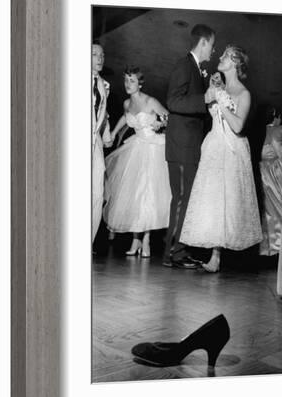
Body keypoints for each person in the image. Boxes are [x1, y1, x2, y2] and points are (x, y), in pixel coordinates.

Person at [180, 46, 263, 272]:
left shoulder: (244, 94)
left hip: (233, 149)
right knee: (213, 200)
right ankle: (214, 257)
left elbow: (237, 125)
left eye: (225, 56)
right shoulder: (220, 87)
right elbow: (212, 112)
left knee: (228, 200)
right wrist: (214, 91)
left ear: (235, 63)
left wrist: (222, 101)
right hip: (214, 145)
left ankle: (220, 257)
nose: (220, 57)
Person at [163, 24, 216, 269]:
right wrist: (204, 99)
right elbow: (173, 101)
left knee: (185, 199)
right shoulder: (184, 65)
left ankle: (180, 251)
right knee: (181, 198)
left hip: (189, 147)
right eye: (212, 45)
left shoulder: (196, 68)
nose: (213, 51)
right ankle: (172, 253)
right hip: (181, 146)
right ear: (203, 43)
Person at [103, 67, 171, 257]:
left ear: (140, 83)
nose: (128, 84)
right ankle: (136, 239)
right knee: (133, 193)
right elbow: (126, 118)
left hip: (152, 148)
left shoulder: (150, 101)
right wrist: (115, 132)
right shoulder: (126, 103)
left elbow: (169, 118)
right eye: (126, 80)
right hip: (136, 147)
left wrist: (160, 123)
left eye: (132, 81)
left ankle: (147, 239)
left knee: (147, 193)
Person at [259, 107, 282, 256]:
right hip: (277, 171)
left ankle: (270, 248)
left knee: (269, 211)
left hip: (263, 171)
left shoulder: (261, 131)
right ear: (277, 117)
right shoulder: (280, 128)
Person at [92, 42, 112, 242]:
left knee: (98, 191)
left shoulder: (104, 85)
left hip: (95, 141)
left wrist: (106, 137)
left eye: (102, 55)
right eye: (94, 54)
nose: (100, 58)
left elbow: (103, 115)